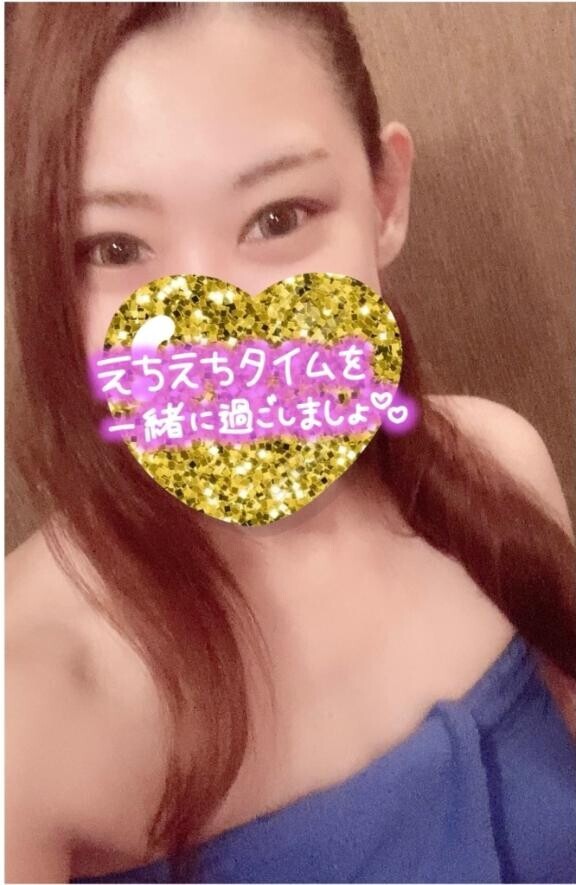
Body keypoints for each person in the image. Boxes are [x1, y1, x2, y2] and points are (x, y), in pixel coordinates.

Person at [5, 3, 576, 883]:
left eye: (278, 217)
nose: (217, 335)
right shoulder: (29, 700)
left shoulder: (498, 465)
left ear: (386, 199)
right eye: (115, 247)